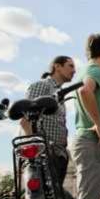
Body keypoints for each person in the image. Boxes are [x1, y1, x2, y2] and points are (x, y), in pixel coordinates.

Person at [71, 34, 100, 199]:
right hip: (90, 140)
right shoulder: (96, 69)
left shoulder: (83, 70)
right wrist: (99, 124)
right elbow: (85, 91)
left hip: (84, 141)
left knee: (88, 196)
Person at [20, 55, 76, 186]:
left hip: (58, 154)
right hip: (45, 155)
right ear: (57, 66)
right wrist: (37, 152)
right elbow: (25, 120)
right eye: (71, 66)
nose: (74, 71)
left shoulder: (59, 93)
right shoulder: (42, 86)